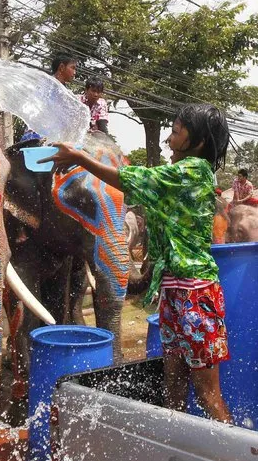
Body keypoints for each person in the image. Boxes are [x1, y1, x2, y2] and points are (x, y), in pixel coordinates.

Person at [43, 103, 232, 423]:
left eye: (176, 133)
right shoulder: (176, 180)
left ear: (198, 143)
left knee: (207, 395)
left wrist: (79, 158)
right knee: (172, 390)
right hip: (174, 295)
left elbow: (133, 179)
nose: (168, 140)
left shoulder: (194, 171)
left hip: (197, 297)